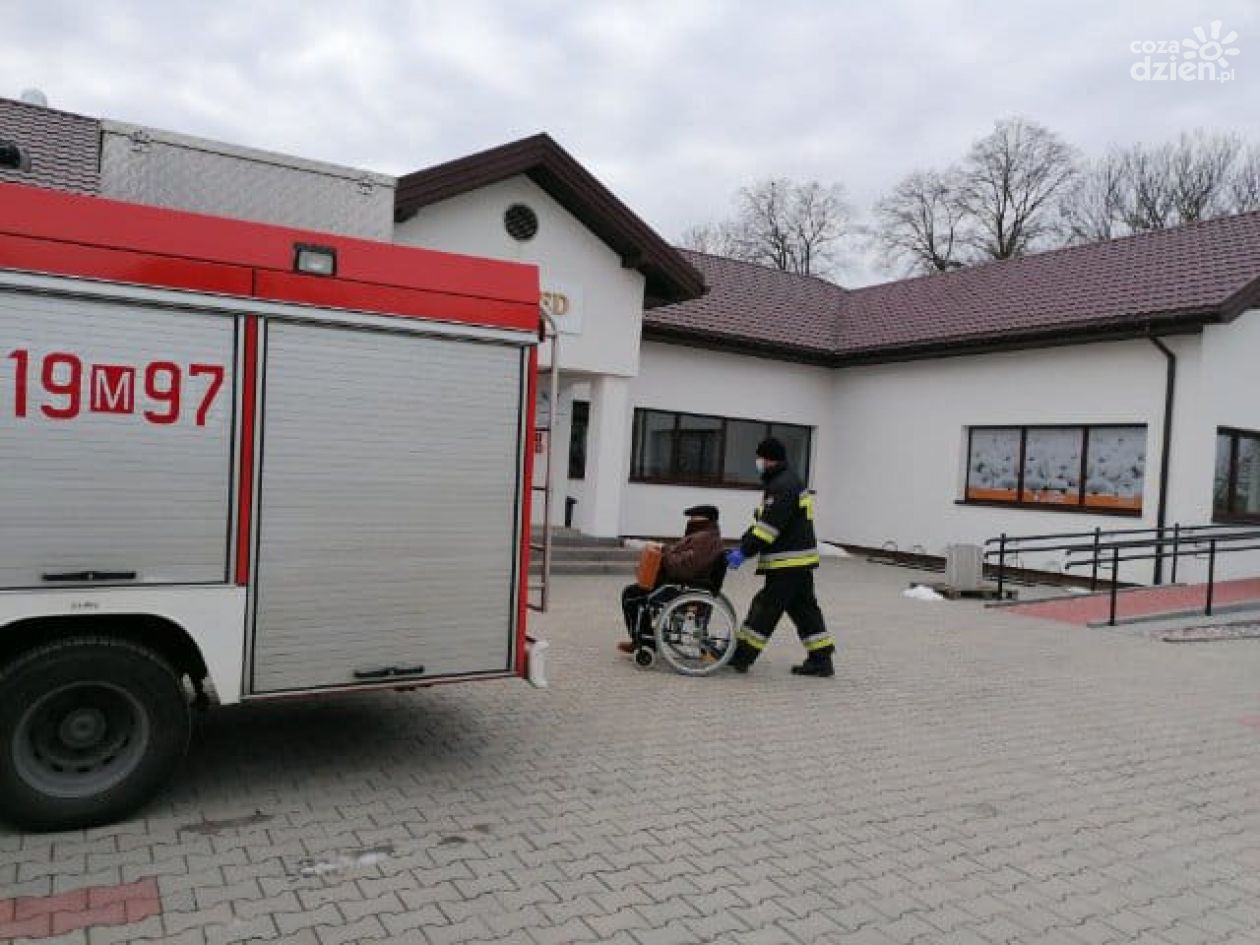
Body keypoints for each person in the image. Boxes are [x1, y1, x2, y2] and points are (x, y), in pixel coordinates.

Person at [725, 438, 836, 676]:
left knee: (765, 608)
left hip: (787, 561)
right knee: (805, 610)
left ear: (768, 458)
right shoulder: (788, 481)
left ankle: (742, 656)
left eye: (759, 458)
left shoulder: (782, 485)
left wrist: (744, 552)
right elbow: (763, 522)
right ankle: (821, 659)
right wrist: (742, 544)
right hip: (799, 560)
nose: (758, 463)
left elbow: (769, 528)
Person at [617, 505, 725, 654]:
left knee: (632, 596)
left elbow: (683, 568)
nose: (691, 521)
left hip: (683, 587)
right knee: (635, 591)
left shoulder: (704, 539)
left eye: (694, 518)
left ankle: (645, 643)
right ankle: (643, 640)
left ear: (706, 519)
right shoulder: (705, 536)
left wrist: (664, 551)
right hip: (683, 584)